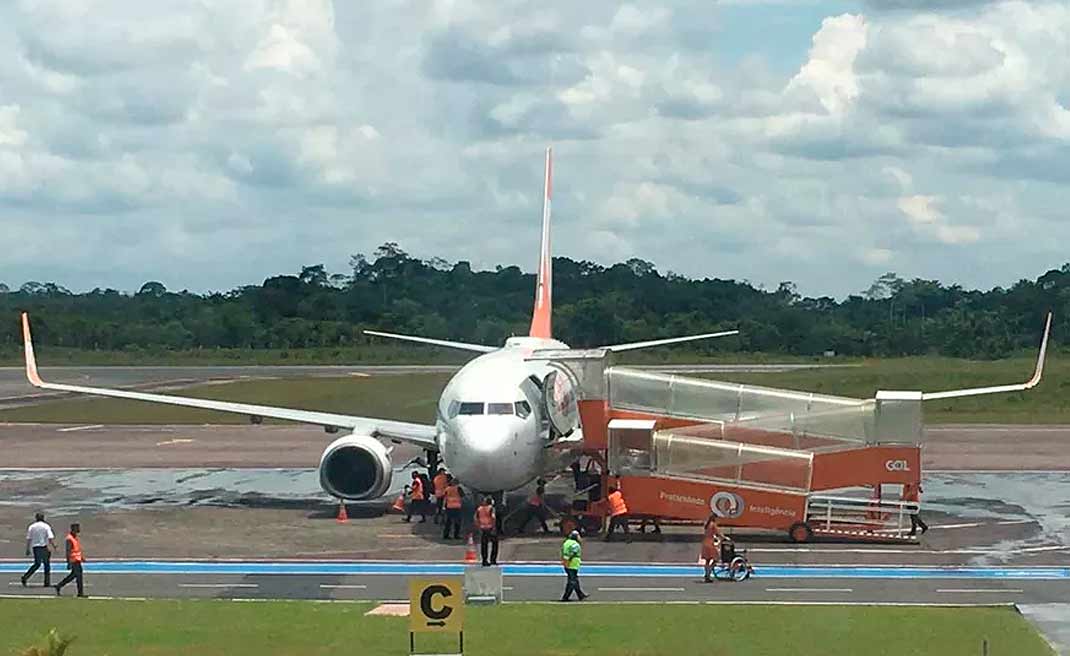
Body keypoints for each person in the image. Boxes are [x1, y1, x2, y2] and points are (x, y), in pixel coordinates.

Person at [21, 512, 56, 588]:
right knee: (46, 565)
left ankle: (26, 577)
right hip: (43, 547)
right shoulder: (46, 526)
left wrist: (27, 549)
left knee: (38, 564)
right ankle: (46, 582)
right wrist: (54, 546)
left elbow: (29, 539)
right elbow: (50, 538)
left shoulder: (32, 527)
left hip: (36, 547)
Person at [55, 523, 86, 598]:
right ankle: (80, 593)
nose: (79, 529)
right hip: (73, 560)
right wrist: (68, 562)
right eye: (77, 528)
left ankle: (59, 585)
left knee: (73, 576)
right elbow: (68, 551)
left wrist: (81, 557)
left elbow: (77, 549)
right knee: (79, 576)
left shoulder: (75, 537)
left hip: (77, 559)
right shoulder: (69, 538)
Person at [560, 530, 587, 602]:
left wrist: (564, 561)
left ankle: (580, 595)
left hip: (569, 563)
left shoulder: (566, 543)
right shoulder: (575, 544)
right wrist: (567, 561)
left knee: (574, 580)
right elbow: (571, 553)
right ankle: (565, 597)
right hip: (572, 564)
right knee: (572, 581)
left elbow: (564, 552)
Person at [474, 496, 499, 566]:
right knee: (494, 544)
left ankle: (484, 560)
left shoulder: (479, 509)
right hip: (490, 528)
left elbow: (475, 518)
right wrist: (494, 527)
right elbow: (493, 517)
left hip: (483, 528)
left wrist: (479, 526)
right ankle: (493, 560)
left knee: (484, 545)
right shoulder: (491, 508)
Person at [701, 513, 725, 582]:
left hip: (705, 543)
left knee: (707, 560)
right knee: (716, 559)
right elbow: (718, 533)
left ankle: (706, 575)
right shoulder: (713, 525)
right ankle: (709, 573)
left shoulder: (707, 525)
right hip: (710, 543)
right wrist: (724, 537)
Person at [441, 475, 465, 540]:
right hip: (457, 506)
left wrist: (443, 507)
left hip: (449, 506)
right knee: (457, 522)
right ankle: (456, 535)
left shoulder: (447, 489)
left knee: (448, 522)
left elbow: (445, 498)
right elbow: (463, 496)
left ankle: (446, 535)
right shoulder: (458, 488)